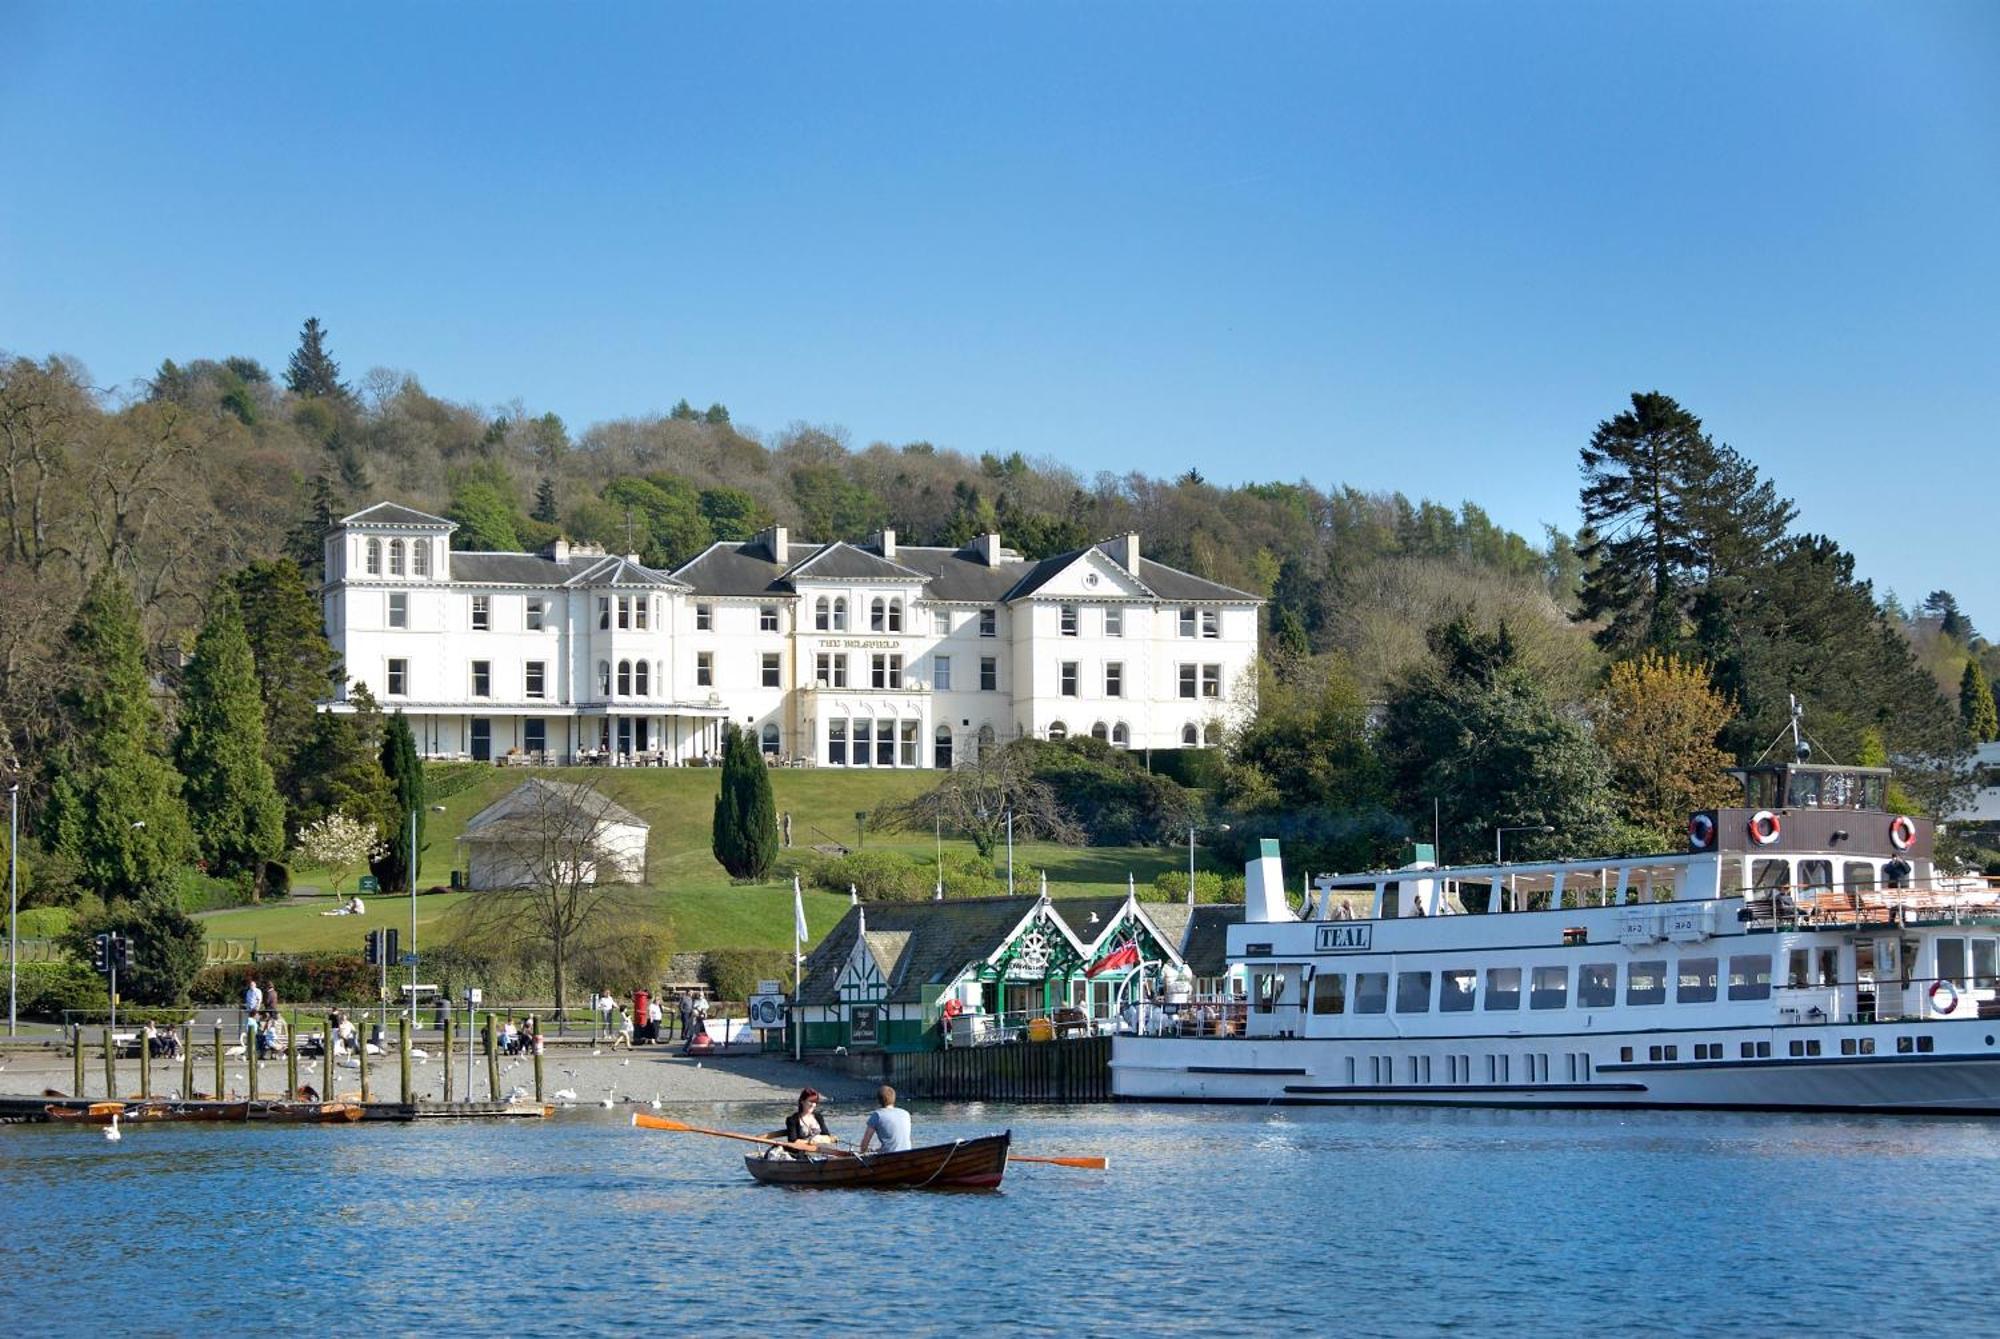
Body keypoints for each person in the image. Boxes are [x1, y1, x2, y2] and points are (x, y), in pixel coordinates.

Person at [857, 1085, 911, 1154]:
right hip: (907, 1153)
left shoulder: (877, 1115)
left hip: (890, 1156)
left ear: (878, 1101)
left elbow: (864, 1144)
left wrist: (862, 1152)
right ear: (894, 1099)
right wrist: (878, 1150)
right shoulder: (905, 1113)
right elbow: (896, 1141)